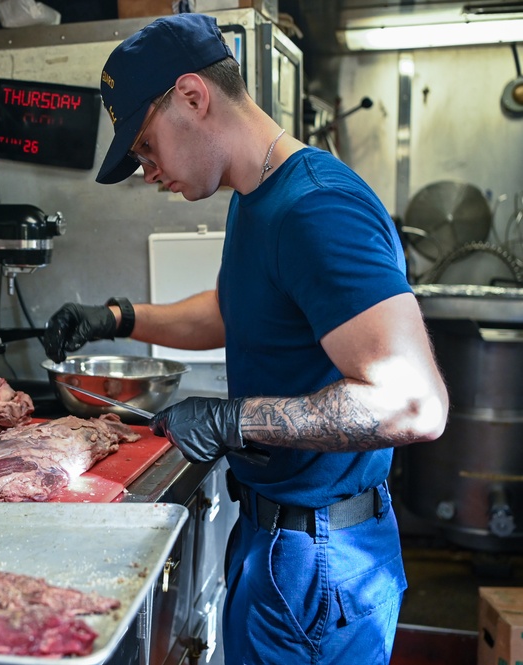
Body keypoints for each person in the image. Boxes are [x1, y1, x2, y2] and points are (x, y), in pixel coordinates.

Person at [42, 13, 449, 665]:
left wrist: (235, 420)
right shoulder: (257, 196)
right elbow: (240, 312)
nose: (148, 170)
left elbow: (412, 404)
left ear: (192, 98)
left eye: (145, 146)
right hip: (278, 540)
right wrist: (118, 316)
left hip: (319, 563)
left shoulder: (314, 208)